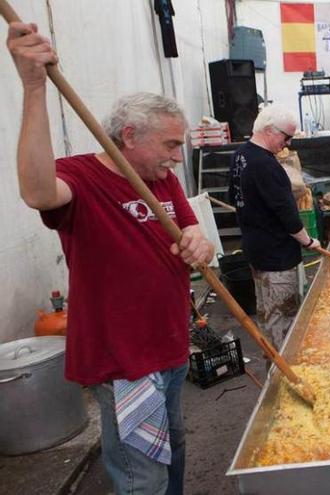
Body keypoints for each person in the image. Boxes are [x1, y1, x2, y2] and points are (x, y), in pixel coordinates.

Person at [8, 22, 215, 495]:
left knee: (175, 446)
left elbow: (191, 228)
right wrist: (34, 86)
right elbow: (37, 191)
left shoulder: (161, 180)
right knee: (143, 473)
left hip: (170, 345)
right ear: (129, 136)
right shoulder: (78, 177)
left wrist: (198, 242)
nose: (177, 158)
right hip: (123, 359)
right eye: (169, 145)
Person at [229, 104, 320, 355]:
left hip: (255, 250)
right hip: (277, 257)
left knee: (267, 313)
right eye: (286, 136)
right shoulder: (265, 164)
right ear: (269, 130)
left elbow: (234, 197)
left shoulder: (240, 156)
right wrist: (308, 241)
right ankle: (284, 373)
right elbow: (286, 213)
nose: (288, 143)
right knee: (284, 316)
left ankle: (272, 363)